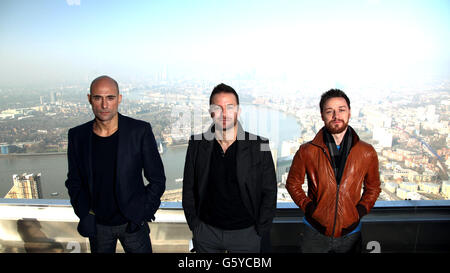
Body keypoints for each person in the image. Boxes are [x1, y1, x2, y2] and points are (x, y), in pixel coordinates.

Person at [65, 75, 166, 253]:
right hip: (98, 226)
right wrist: (84, 214)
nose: (104, 105)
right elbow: (74, 181)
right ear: (90, 99)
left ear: (119, 99)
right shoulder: (77, 136)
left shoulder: (139, 131)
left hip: (133, 224)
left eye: (110, 98)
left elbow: (157, 179)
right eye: (98, 98)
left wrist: (142, 214)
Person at [182, 83, 277, 253]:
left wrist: (260, 230)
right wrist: (195, 225)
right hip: (206, 233)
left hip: (247, 234)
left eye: (230, 107)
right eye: (218, 108)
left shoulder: (260, 145)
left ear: (238, 111)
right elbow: (188, 188)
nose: (224, 114)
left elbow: (269, 191)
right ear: (211, 111)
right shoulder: (196, 144)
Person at [286, 89, 381, 253]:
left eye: (341, 110)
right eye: (330, 111)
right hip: (314, 231)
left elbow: (373, 188)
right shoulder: (307, 151)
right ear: (322, 116)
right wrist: (310, 209)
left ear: (349, 113)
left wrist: (358, 212)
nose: (336, 116)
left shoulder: (366, 152)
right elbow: (293, 184)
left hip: (351, 232)